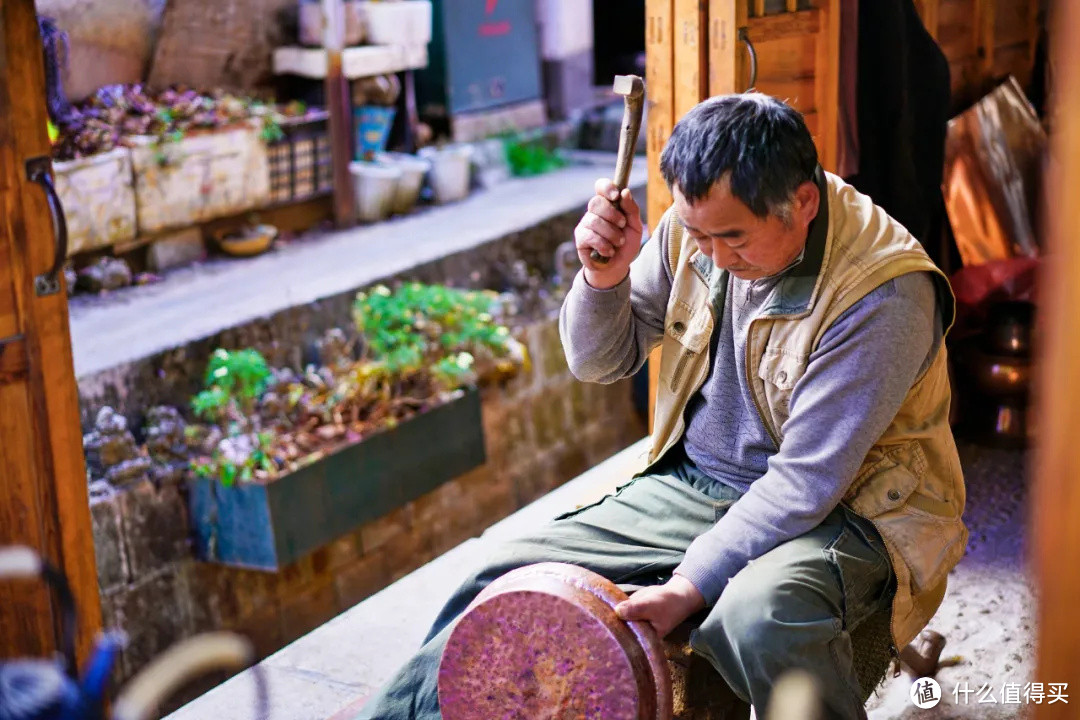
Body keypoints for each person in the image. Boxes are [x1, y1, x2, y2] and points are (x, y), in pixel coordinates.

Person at [355, 93, 967, 720]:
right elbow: (600, 362)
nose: (715, 257)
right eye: (697, 234)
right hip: (699, 481)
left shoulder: (883, 293)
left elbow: (807, 480)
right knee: (502, 580)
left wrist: (689, 583)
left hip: (855, 504)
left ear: (803, 203)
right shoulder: (696, 229)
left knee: (758, 618)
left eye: (734, 239)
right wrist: (603, 278)